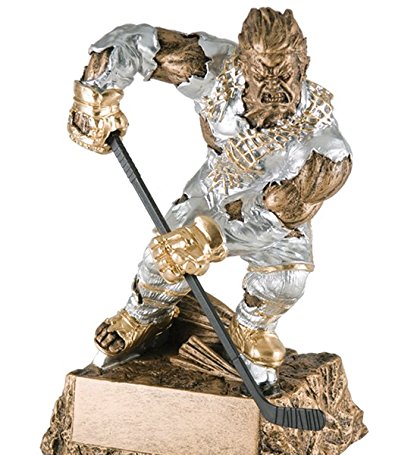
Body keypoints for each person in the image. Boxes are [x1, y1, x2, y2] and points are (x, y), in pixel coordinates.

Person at [68, 8, 352, 384]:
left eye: (285, 74)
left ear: (303, 66)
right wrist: (94, 99)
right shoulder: (216, 70)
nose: (272, 89)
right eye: (261, 73)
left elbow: (284, 215)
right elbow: (135, 42)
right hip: (212, 189)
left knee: (285, 282)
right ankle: (144, 317)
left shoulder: (324, 150)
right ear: (244, 62)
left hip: (270, 222)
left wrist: (209, 239)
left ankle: (252, 326)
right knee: (162, 258)